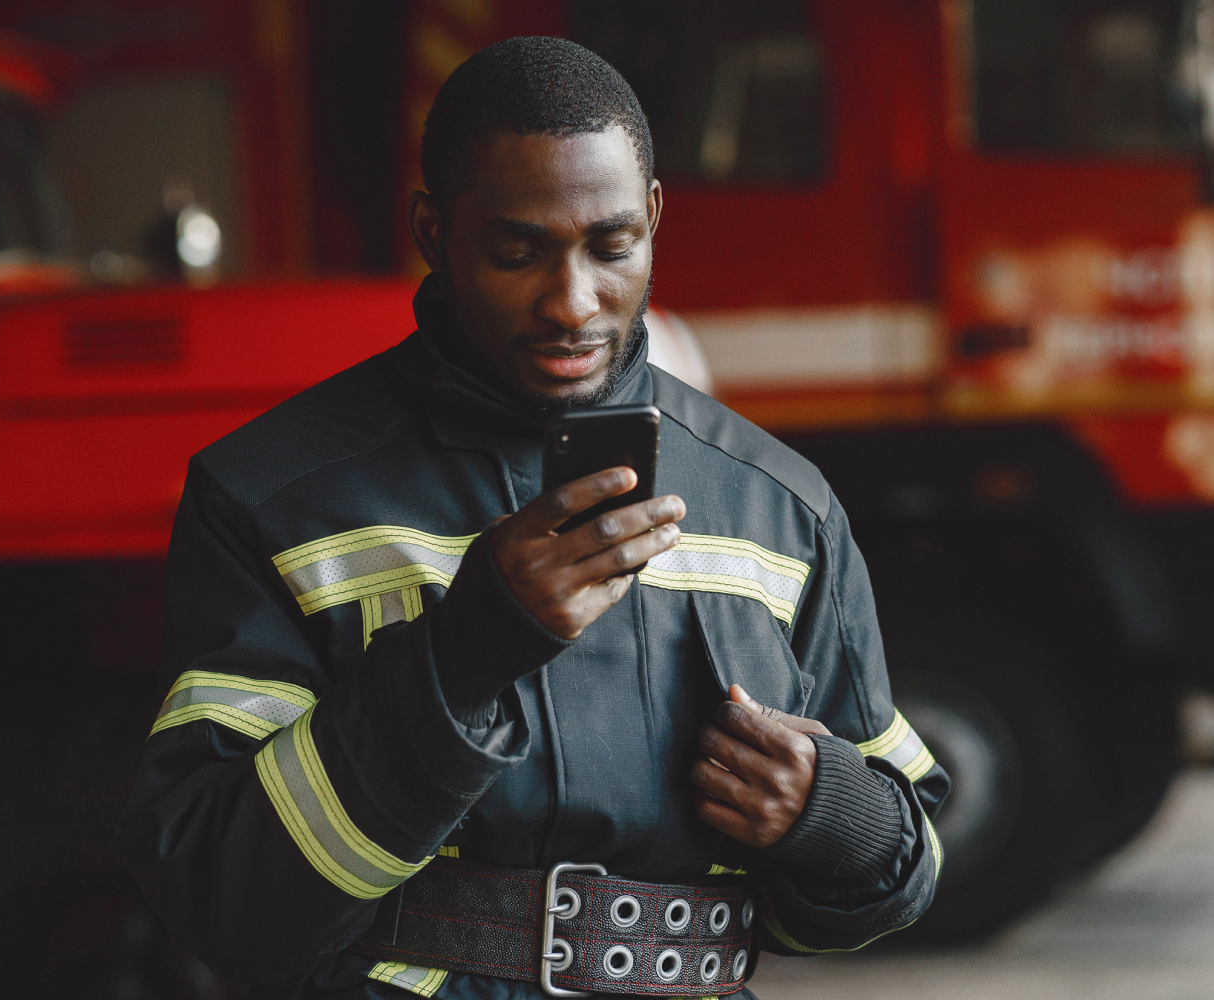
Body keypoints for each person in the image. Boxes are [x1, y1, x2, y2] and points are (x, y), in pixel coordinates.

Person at [118, 36, 948, 1000]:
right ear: (434, 232)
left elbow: (911, 854)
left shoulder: (780, 503)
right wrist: (462, 655)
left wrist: (829, 814)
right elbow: (218, 894)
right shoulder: (273, 497)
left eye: (611, 245)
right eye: (518, 253)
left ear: (654, 217)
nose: (571, 302)